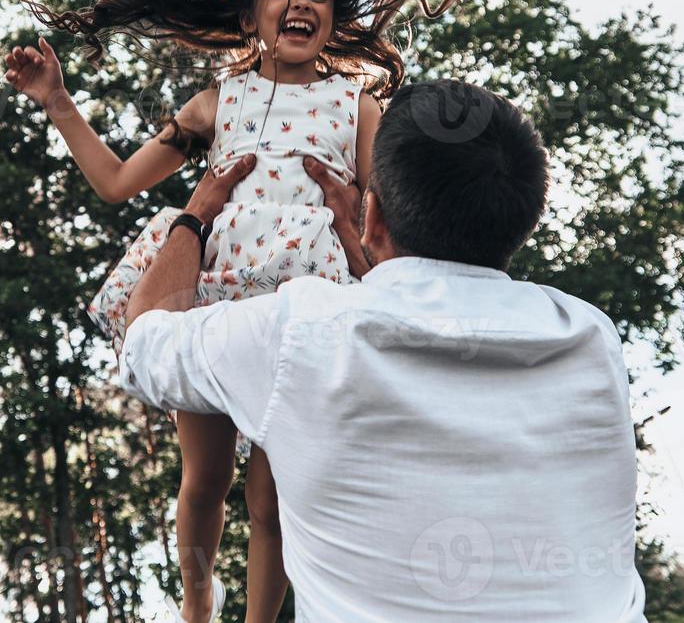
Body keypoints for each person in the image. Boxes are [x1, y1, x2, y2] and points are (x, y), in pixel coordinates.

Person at [3, 0, 526, 623]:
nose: (301, 2)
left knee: (272, 492)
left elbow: (380, 218)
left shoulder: (357, 102)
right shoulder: (220, 100)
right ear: (249, 14)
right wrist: (57, 101)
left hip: (309, 301)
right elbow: (116, 184)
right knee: (203, 477)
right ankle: (198, 614)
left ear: (333, 17)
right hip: (211, 291)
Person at [115, 80, 649, 621]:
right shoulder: (590, 337)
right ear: (520, 221)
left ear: (373, 217)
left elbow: (143, 345)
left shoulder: (301, 332)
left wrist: (194, 215)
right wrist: (354, 237)